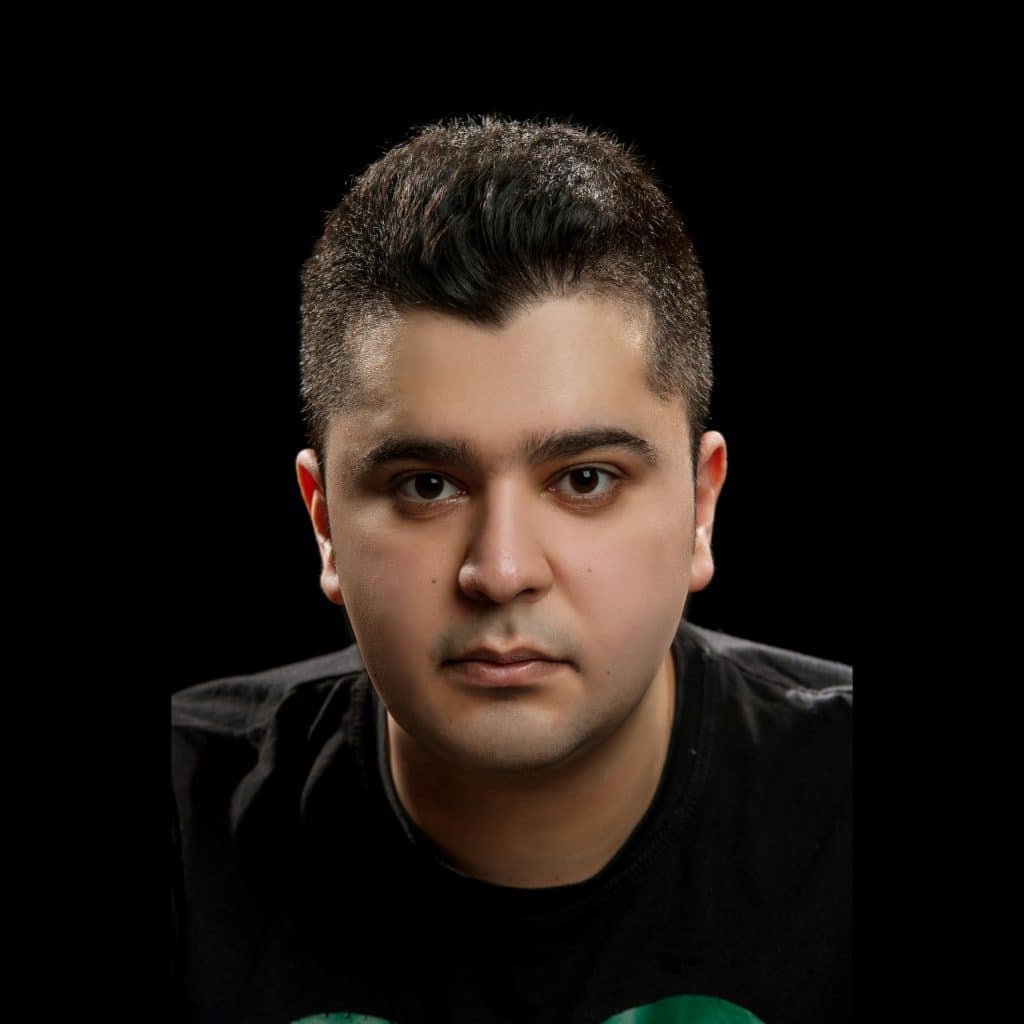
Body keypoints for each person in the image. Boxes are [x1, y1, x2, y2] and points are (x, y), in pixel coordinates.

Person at [171, 114, 852, 1024]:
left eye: (584, 479)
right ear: (324, 522)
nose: (500, 571)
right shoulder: (188, 819)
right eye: (426, 485)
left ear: (700, 507)